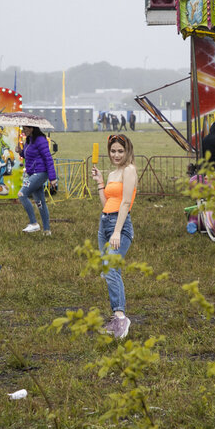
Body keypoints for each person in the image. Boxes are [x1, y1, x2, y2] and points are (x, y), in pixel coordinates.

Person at [90, 134, 137, 339]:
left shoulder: (129, 170)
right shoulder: (112, 173)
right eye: (113, 150)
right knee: (109, 270)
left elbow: (125, 203)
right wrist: (100, 183)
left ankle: (120, 317)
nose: (116, 154)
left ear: (127, 151)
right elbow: (106, 202)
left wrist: (117, 231)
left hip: (120, 224)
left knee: (110, 269)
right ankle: (116, 319)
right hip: (105, 223)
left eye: (120, 151)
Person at [18, 126, 57, 235]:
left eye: (25, 129)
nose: (23, 131)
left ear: (32, 129)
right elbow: (29, 155)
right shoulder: (29, 140)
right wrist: (21, 152)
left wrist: (52, 178)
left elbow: (48, 158)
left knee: (22, 194)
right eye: (23, 129)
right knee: (40, 202)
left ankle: (34, 223)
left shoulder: (40, 140)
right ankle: (47, 230)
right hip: (33, 173)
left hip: (40, 173)